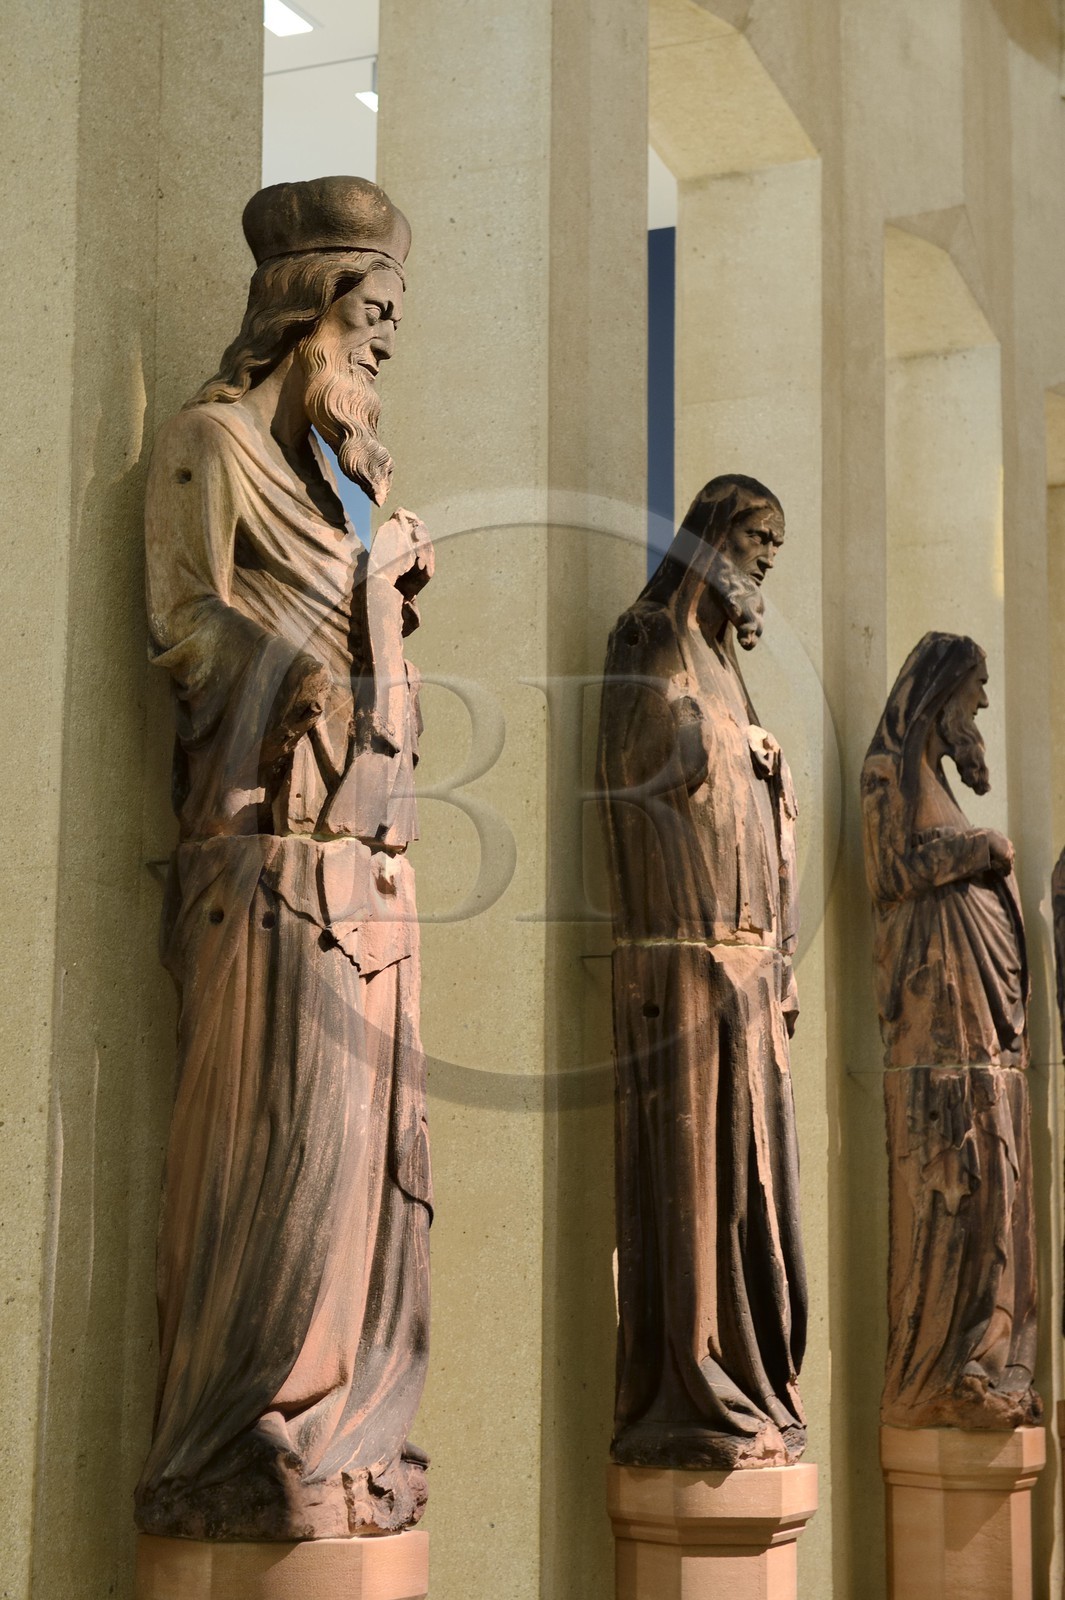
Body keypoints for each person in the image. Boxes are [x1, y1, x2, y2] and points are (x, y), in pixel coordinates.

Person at [135, 177, 434, 1540]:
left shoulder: (343, 494)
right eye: (368, 317)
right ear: (303, 310)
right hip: (261, 877)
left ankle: (344, 1425)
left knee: (369, 1191)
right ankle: (250, 1424)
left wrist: (383, 561)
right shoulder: (212, 445)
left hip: (364, 879)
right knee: (283, 1171)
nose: (380, 346)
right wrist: (298, 664)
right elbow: (183, 618)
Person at [597, 474, 808, 1470]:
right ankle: (692, 1379)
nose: (766, 557)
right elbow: (643, 778)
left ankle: (751, 1375)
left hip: (748, 968)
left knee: (752, 1194)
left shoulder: (725, 666)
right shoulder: (648, 642)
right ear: (711, 537)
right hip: (681, 958)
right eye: (756, 537)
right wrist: (720, 745)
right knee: (695, 1187)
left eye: (775, 545)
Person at [861, 632, 1039, 1428]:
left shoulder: (932, 781)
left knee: (994, 1180)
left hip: (981, 1028)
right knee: (952, 1174)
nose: (984, 705)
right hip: (937, 1024)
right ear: (939, 696)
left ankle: (988, 1352)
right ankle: (944, 1365)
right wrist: (975, 848)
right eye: (974, 689)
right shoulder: (886, 775)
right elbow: (888, 871)